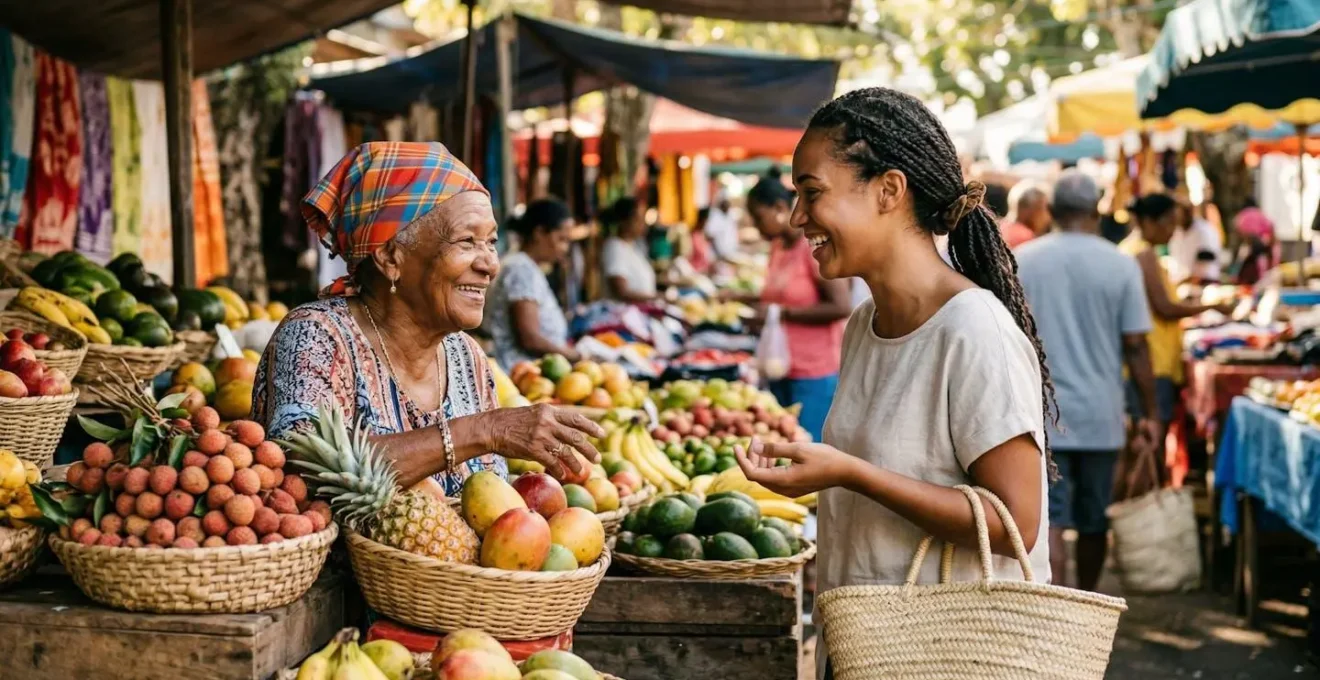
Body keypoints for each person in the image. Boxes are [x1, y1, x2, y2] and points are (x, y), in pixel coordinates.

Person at [729, 88, 1054, 680]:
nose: (798, 216)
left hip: (947, 658)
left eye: (812, 192)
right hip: (864, 648)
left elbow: (1016, 524)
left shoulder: (973, 329)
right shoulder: (863, 325)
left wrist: (850, 473)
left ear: (889, 190)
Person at [253, 142, 603, 497]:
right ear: (391, 256)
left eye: (491, 242)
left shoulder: (467, 357)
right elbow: (302, 468)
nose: (490, 265)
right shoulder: (316, 337)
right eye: (467, 241)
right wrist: (482, 431)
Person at [1016, 170, 1160, 592]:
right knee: (1095, 518)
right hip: (1101, 415)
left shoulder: (1024, 259)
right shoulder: (1120, 264)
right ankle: (1089, 598)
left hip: (1040, 413)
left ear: (1052, 211)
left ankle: (1056, 607)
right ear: (1096, 212)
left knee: (1052, 519)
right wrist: (1150, 413)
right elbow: (1136, 346)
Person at [744, 170, 852, 442]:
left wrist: (781, 314)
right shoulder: (779, 247)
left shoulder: (812, 247)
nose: (757, 228)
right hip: (780, 365)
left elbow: (840, 306)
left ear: (780, 208)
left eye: (759, 219)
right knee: (783, 445)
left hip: (813, 372)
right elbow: (776, 297)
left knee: (806, 448)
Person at [1119, 193, 1235, 434]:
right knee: (1151, 437)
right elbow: (1165, 308)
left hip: (1152, 358)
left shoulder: (1133, 250)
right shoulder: (1143, 254)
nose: (1173, 230)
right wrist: (1211, 306)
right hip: (1153, 360)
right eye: (1169, 222)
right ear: (1150, 222)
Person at [484, 197, 579, 370]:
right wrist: (575, 355)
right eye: (561, 239)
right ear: (539, 233)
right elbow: (530, 338)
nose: (565, 248)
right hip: (519, 371)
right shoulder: (521, 269)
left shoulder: (524, 265)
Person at [600, 197, 657, 302]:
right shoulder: (615, 248)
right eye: (638, 219)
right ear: (624, 221)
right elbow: (621, 292)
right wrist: (659, 298)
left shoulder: (634, 246)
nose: (642, 224)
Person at [1167, 198, 1223, 284]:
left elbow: (1206, 263)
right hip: (1181, 282)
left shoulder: (1204, 231)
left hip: (1205, 282)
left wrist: (1188, 279)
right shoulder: (1176, 232)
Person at [1231, 198, 1278, 285]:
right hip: (1263, 247)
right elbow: (1272, 229)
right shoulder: (1262, 215)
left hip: (1250, 247)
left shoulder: (1242, 215)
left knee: (1243, 269)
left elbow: (1238, 230)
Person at [1001, 181, 1050, 248]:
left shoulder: (997, 228)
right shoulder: (1025, 239)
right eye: (1046, 209)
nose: (1048, 216)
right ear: (1035, 210)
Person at [704, 190, 741, 263]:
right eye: (725, 202)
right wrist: (719, 254)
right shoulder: (714, 215)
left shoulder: (730, 215)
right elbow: (710, 236)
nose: (727, 204)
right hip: (717, 257)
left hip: (729, 254)